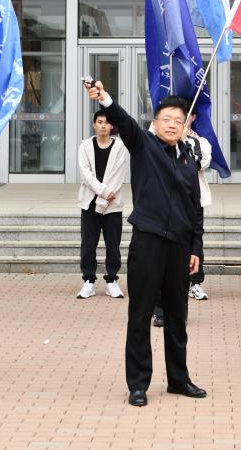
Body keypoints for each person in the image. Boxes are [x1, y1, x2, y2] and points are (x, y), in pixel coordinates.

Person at [86, 80, 206, 407]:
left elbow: (195, 208)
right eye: (167, 119)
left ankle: (179, 379)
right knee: (140, 315)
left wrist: (196, 248)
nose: (172, 125)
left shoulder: (188, 158)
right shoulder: (143, 145)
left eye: (178, 121)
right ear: (155, 123)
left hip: (179, 246)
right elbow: (123, 121)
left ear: (185, 127)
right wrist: (105, 98)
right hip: (148, 242)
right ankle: (138, 383)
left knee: (177, 317)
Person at [76, 109, 130, 299]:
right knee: (88, 244)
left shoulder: (120, 147)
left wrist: (106, 196)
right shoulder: (85, 146)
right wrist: (104, 193)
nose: (103, 126)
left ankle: (112, 281)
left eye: (106, 122)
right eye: (99, 122)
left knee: (113, 244)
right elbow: (86, 175)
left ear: (112, 126)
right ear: (94, 124)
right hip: (90, 203)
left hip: (112, 205)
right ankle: (88, 281)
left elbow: (118, 175)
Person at [183, 111, 212, 300]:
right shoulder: (164, 139)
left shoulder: (201, 142)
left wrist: (186, 141)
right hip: (171, 199)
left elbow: (201, 163)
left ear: (193, 117)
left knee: (195, 239)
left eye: (187, 114)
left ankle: (195, 283)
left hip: (195, 198)